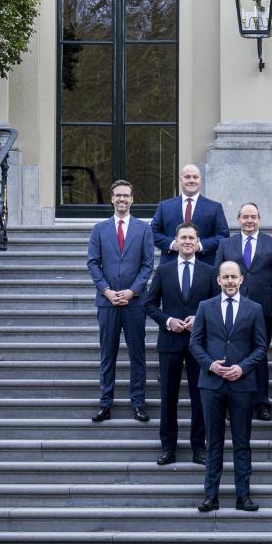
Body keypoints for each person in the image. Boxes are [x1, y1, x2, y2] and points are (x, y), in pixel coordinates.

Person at [190, 261, 268, 513]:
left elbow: (260, 347)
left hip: (242, 384)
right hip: (211, 384)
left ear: (241, 279)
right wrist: (210, 365)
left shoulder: (254, 309)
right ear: (218, 280)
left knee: (242, 442)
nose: (230, 281)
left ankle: (242, 496)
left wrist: (242, 368)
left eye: (234, 277)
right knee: (213, 441)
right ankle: (210, 495)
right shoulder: (205, 306)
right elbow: (195, 343)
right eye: (226, 277)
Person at [144, 222, 217, 465]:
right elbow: (150, 304)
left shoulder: (209, 271)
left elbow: (217, 305)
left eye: (191, 238)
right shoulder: (163, 270)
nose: (187, 241)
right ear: (176, 241)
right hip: (170, 342)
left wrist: (201, 317)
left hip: (200, 345)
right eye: (183, 237)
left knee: (200, 397)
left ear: (198, 242)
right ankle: (168, 447)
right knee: (168, 397)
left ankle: (199, 447)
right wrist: (168, 321)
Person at [87, 180, 154, 423]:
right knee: (108, 354)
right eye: (118, 196)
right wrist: (106, 290)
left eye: (126, 195)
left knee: (137, 355)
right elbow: (93, 263)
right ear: (112, 199)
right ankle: (106, 403)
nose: (122, 199)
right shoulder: (99, 229)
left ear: (132, 199)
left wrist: (132, 291)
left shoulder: (144, 229)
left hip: (134, 303)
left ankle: (138, 403)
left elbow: (148, 265)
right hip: (107, 303)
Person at [215, 202, 272, 422]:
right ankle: (230, 403)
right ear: (238, 220)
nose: (249, 220)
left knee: (260, 355)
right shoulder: (226, 244)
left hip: (262, 310)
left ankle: (261, 403)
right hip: (231, 309)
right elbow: (216, 277)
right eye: (245, 217)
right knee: (232, 354)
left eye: (253, 216)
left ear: (259, 218)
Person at [150, 164, 229, 266]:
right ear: (180, 179)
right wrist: (173, 244)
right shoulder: (164, 206)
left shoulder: (214, 207)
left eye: (195, 177)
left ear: (200, 180)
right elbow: (152, 232)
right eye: (187, 177)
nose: (191, 180)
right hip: (170, 267)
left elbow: (223, 236)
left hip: (204, 266)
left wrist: (200, 245)